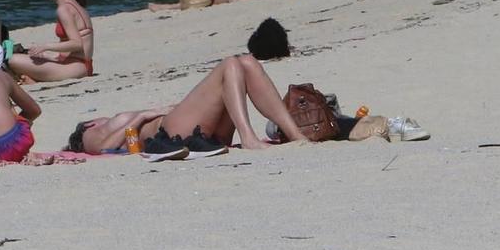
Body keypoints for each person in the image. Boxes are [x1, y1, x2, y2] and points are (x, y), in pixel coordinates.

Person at [64, 19, 315, 156]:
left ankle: (294, 134)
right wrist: (142, 116)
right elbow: (102, 148)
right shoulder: (89, 132)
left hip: (187, 126)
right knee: (230, 64)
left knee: (246, 62)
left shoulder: (111, 122)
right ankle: (248, 137)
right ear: (89, 124)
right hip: (171, 130)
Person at [6, 0, 93, 83]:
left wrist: (45, 46)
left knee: (12, 60)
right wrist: (48, 56)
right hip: (80, 64)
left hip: (76, 67)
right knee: (31, 57)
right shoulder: (76, 5)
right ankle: (31, 79)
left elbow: (77, 44)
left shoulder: (64, 9)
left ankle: (30, 79)